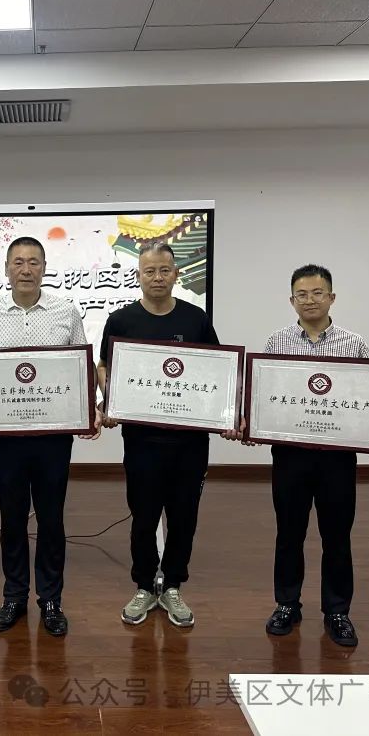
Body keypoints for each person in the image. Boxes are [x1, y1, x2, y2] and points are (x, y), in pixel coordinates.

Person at [0, 236, 89, 637]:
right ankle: (14, 596)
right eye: (18, 262)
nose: (26, 269)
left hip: (53, 437)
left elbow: (80, 368)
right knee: (11, 517)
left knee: (52, 518)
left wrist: (88, 412)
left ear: (44, 268)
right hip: (5, 439)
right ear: (6, 268)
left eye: (33, 262)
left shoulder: (66, 311)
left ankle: (51, 599)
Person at [97, 241, 220, 628]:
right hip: (141, 442)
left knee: (184, 518)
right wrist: (110, 402)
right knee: (144, 517)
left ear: (176, 274)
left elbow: (217, 370)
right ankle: (144, 586)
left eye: (164, 270)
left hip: (190, 443)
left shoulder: (196, 319)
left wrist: (224, 411)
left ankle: (173, 586)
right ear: (138, 276)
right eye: (149, 271)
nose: (157, 278)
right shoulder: (121, 320)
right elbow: (104, 365)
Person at [257, 264, 369, 648]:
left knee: (337, 535)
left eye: (317, 293)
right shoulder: (276, 342)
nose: (310, 300)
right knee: (289, 533)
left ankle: (337, 611)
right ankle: (287, 604)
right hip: (291, 455)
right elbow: (264, 394)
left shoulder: (354, 344)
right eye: (302, 295)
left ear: (332, 298)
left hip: (337, 458)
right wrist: (254, 423)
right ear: (292, 301)